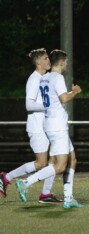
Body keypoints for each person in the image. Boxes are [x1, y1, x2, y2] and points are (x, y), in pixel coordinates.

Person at [16, 49, 84, 208]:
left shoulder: (45, 78)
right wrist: (75, 91)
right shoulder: (58, 77)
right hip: (57, 126)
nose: (67, 64)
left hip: (50, 124)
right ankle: (26, 182)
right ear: (61, 62)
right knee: (59, 166)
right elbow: (63, 99)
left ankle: (68, 198)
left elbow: (54, 99)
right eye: (66, 62)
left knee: (72, 160)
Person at [0, 48, 62, 203]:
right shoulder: (33, 79)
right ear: (38, 61)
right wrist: (48, 106)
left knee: (54, 159)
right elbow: (29, 105)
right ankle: (6, 177)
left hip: (46, 126)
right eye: (46, 58)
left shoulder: (45, 78)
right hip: (37, 127)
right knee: (41, 163)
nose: (49, 60)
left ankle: (45, 194)